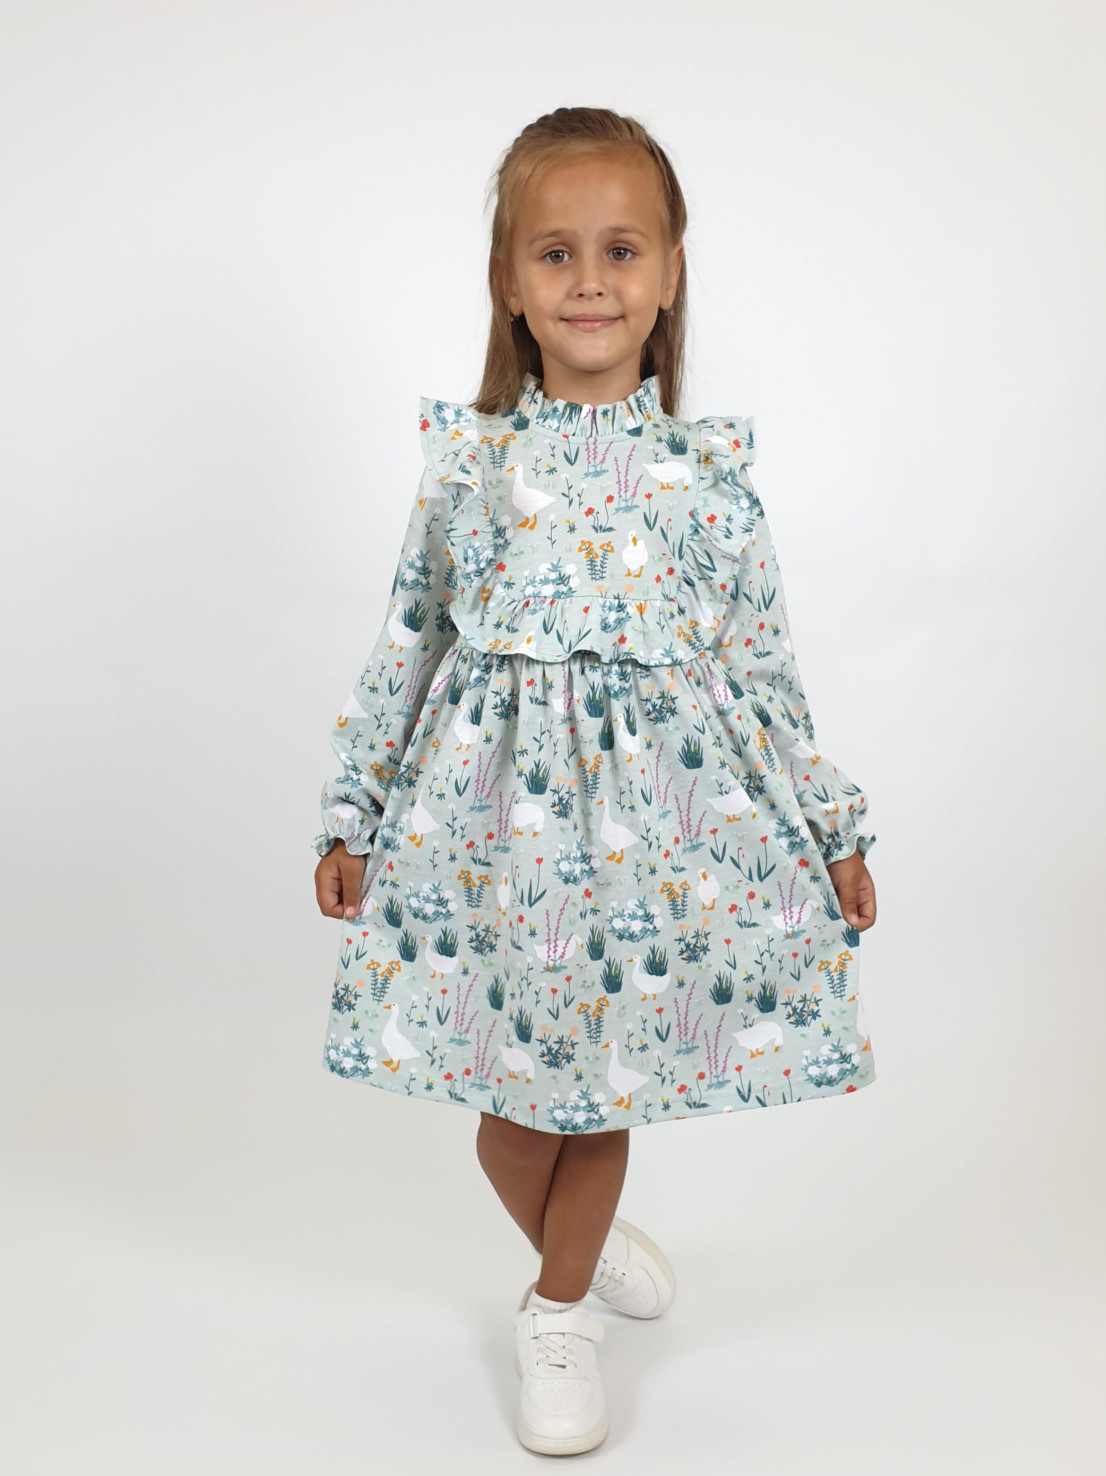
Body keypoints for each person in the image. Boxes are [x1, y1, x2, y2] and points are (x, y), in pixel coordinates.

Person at [312, 106, 879, 1456]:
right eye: (555, 253)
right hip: (489, 843)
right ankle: (585, 1233)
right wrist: (353, 813)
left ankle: (556, 1311)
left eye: (620, 250)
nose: (588, 281)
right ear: (509, 283)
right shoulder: (471, 468)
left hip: (649, 847)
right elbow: (407, 644)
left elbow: (761, 666)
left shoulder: (704, 479)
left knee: (601, 1088)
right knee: (510, 1124)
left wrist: (831, 823)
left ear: (669, 273)